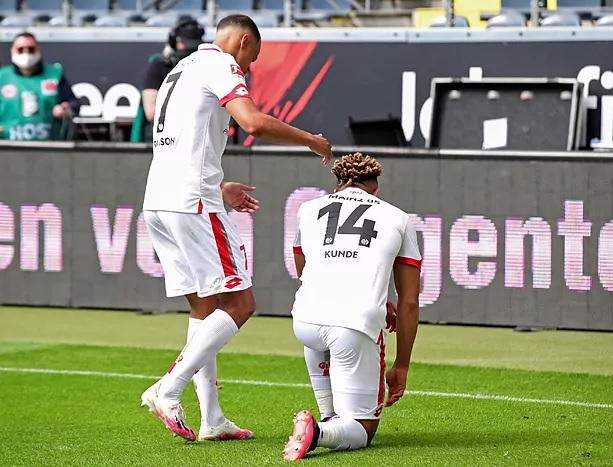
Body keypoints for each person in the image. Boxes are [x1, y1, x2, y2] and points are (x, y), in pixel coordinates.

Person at [139, 14, 333, 442]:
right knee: (241, 303)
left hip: (159, 200)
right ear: (243, 41)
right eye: (253, 58)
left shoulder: (180, 68)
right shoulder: (222, 64)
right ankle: (168, 388)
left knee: (204, 307)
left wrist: (219, 184)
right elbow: (253, 122)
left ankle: (211, 419)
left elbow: (183, 143)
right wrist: (310, 140)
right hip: (192, 203)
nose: (249, 67)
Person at [283, 152, 421, 461]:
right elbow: (409, 301)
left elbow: (303, 269)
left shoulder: (308, 210)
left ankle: (327, 417)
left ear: (338, 185)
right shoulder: (398, 217)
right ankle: (318, 432)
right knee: (364, 429)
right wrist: (402, 365)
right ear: (375, 189)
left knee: (322, 326)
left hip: (305, 320)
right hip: (354, 324)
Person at [130, 18, 205, 143]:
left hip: (199, 137)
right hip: (167, 139)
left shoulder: (205, 65)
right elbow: (151, 112)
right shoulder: (161, 65)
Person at [0, 32, 80, 141]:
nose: (26, 53)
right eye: (21, 49)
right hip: (9, 144)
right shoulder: (2, 77)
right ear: (13, 51)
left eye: (31, 49)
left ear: (38, 50)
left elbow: (73, 103)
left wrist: (64, 108)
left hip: (49, 144)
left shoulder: (54, 75)